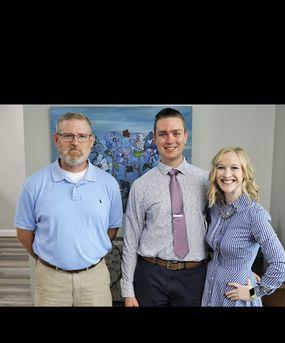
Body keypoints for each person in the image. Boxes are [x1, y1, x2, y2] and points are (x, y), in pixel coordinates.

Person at [15, 112, 123, 306]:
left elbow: (112, 228)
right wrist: (50, 257)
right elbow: (24, 232)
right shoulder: (33, 184)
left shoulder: (109, 184)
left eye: (82, 136)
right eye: (68, 136)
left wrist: (89, 252)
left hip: (95, 279)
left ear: (91, 141)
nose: (75, 142)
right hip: (51, 281)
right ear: (57, 139)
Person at [121, 108, 210, 306]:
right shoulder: (141, 185)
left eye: (176, 133)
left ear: (185, 136)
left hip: (194, 277)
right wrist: (127, 290)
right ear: (154, 139)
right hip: (151, 275)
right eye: (163, 134)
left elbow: (221, 228)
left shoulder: (206, 181)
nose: (170, 140)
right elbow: (131, 239)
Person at [201, 146, 285, 307]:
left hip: (236, 300)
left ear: (244, 174)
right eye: (221, 168)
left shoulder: (254, 214)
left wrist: (253, 292)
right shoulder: (215, 208)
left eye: (234, 168)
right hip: (212, 291)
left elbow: (281, 266)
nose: (227, 174)